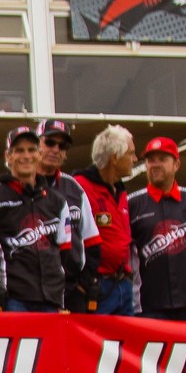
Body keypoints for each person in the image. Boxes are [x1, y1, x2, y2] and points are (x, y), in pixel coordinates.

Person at [0, 125, 71, 314]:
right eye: (19, 151)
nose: (26, 156)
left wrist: (61, 296)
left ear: (39, 154)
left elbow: (65, 254)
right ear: (8, 156)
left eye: (31, 150)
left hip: (51, 300)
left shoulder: (57, 201)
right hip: (13, 301)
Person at [126, 135, 186, 322]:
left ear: (176, 165)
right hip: (147, 307)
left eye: (162, 159)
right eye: (150, 160)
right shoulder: (132, 204)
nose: (155, 164)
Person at [69, 125, 137, 315]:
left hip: (122, 283)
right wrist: (80, 283)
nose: (135, 159)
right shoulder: (79, 187)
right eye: (131, 154)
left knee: (126, 342)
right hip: (97, 286)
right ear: (114, 158)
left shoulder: (120, 189)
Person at [35, 117, 100, 309]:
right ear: (36, 144)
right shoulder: (22, 185)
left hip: (72, 290)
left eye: (62, 146)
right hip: (33, 291)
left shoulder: (73, 187)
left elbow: (93, 242)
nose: (55, 149)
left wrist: (83, 284)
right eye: (49, 142)